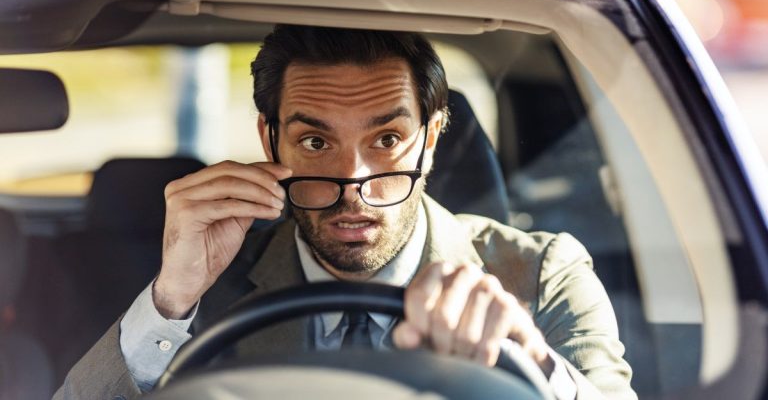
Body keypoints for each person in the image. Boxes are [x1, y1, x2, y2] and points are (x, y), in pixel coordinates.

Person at [54, 25, 635, 400]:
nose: (352, 181)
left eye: (386, 140)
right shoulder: (211, 281)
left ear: (431, 138)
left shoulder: (541, 274)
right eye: (315, 143)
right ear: (270, 140)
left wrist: (529, 360)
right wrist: (169, 300)